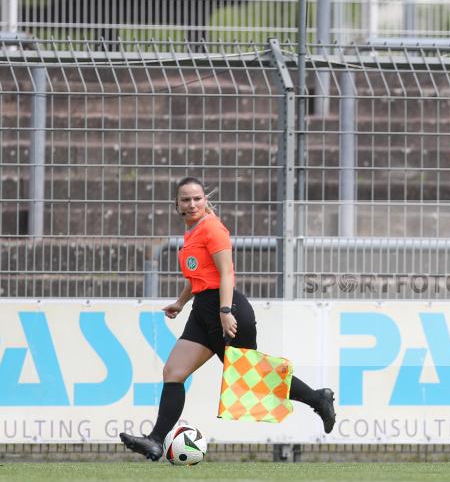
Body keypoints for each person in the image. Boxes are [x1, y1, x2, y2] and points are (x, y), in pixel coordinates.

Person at [120, 177, 336, 461]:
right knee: (174, 372)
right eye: (186, 199)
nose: (192, 203)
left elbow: (226, 274)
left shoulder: (212, 228)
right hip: (202, 310)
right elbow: (197, 279)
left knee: (252, 378)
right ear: (177, 205)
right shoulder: (190, 234)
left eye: (197, 198)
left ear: (204, 200)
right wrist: (181, 303)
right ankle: (156, 441)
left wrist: (225, 312)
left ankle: (318, 398)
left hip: (227, 308)